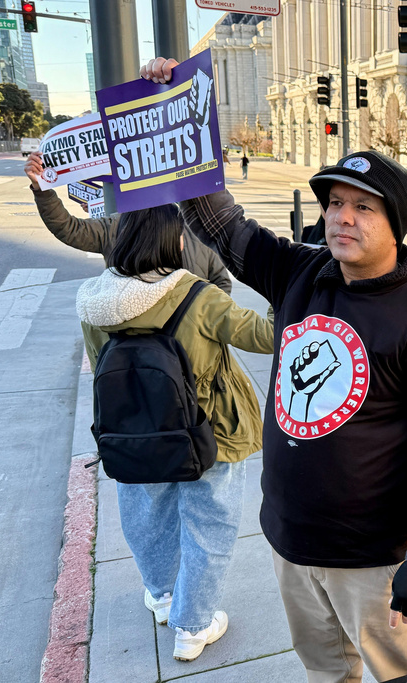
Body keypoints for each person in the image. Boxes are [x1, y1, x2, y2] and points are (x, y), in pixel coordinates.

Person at [141, 54, 407, 683]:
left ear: (396, 224)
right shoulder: (301, 271)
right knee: (326, 674)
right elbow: (222, 224)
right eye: (335, 204)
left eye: (364, 208)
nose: (342, 218)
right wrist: (175, 117)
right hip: (292, 542)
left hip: (372, 563)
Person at [76, 204, 273, 662]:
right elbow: (264, 336)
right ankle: (192, 625)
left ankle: (162, 596)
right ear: (177, 242)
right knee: (210, 526)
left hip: (133, 432)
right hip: (211, 433)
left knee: (147, 517)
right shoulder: (197, 297)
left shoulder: (93, 304)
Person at [23, 152, 232, 292]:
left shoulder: (196, 229)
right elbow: (68, 228)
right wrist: (43, 189)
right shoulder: (117, 225)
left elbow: (221, 281)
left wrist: (206, 322)